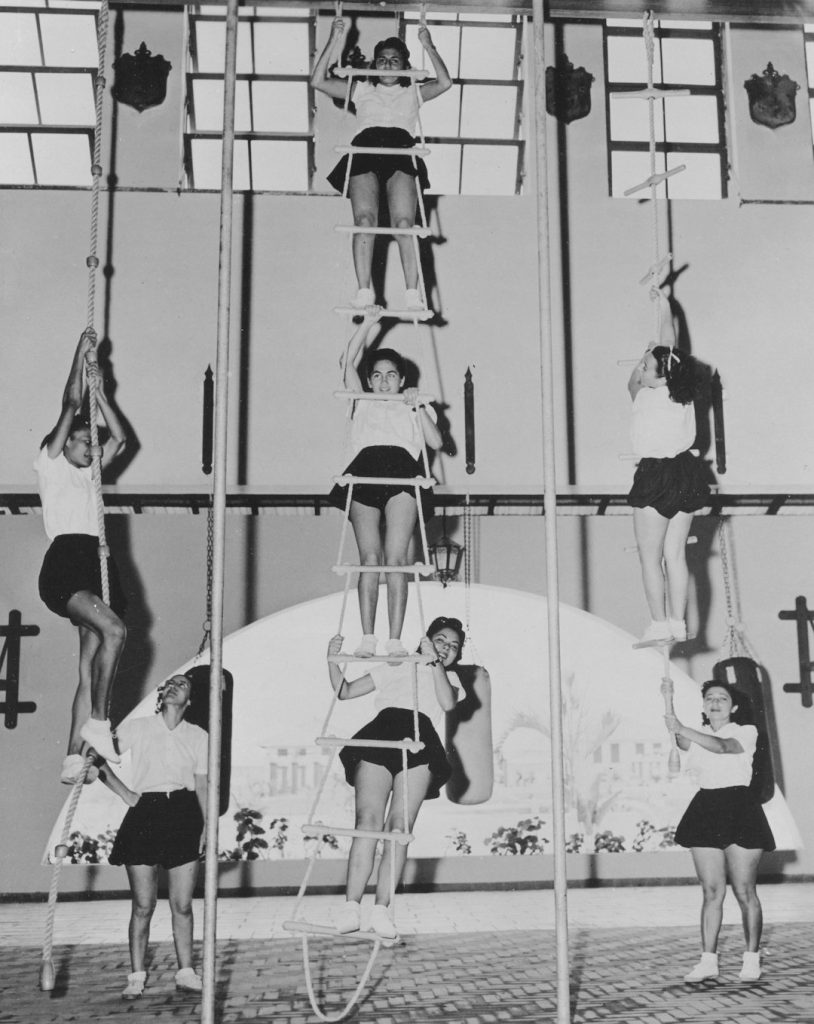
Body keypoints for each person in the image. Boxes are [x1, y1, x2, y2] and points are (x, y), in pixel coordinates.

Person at [326, 616, 464, 939]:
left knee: (399, 828)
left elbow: (446, 702)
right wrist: (331, 660)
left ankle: (382, 909)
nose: (447, 648)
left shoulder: (450, 677)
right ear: (426, 639)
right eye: (441, 640)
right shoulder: (396, 663)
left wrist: (435, 664)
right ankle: (351, 906)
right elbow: (345, 692)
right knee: (368, 821)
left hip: (419, 738)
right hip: (383, 732)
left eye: (453, 647)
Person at [35, 328, 127, 780]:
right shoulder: (51, 466)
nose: (90, 447)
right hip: (68, 562)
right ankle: (99, 723)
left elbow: (122, 440)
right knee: (115, 630)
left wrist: (103, 394)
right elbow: (70, 404)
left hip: (97, 560)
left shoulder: (90, 476)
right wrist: (79, 354)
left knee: (88, 664)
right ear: (61, 444)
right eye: (81, 441)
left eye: (92, 444)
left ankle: (74, 756)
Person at [311, 18, 452, 309]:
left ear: (404, 65)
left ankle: (412, 293)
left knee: (404, 224)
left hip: (401, 151)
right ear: (374, 65)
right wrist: (333, 39)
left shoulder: (413, 92)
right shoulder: (362, 89)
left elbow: (444, 82)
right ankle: (364, 291)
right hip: (365, 150)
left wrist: (428, 45)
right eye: (382, 60)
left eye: (394, 59)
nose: (387, 64)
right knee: (365, 221)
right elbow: (318, 81)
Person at [328, 306, 442, 658]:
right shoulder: (361, 401)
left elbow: (437, 443)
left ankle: (394, 639)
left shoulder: (415, 404)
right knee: (369, 559)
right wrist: (369, 323)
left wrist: (416, 407)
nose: (383, 381)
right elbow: (346, 362)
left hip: (403, 476)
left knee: (395, 559)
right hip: (364, 474)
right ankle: (368, 638)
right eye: (376, 375)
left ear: (401, 380)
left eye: (390, 375)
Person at [104, 673, 208, 999]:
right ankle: (136, 975)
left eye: (183, 685)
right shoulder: (138, 727)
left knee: (182, 904)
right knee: (143, 905)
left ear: (189, 700)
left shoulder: (199, 735)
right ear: (162, 694)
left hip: (184, 813)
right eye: (171, 683)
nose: (175, 686)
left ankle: (186, 972)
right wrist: (126, 795)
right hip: (144, 814)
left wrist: (207, 828)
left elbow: (203, 785)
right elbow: (98, 758)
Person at [664, 680, 775, 983]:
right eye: (709, 698)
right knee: (712, 891)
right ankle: (708, 961)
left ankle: (751, 959)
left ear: (733, 706)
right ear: (703, 706)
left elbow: (723, 747)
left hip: (741, 808)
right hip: (706, 808)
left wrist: (682, 728)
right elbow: (680, 737)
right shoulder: (698, 737)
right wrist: (668, 698)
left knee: (743, 890)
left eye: (722, 698)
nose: (715, 703)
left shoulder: (745, 732)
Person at [627, 289, 710, 646]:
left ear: (659, 376)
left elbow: (633, 380)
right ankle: (677, 622)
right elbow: (669, 344)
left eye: (646, 367)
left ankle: (659, 623)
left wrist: (662, 307)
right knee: (675, 554)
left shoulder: (644, 396)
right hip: (687, 473)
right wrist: (662, 305)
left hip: (655, 473)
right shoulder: (682, 394)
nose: (641, 369)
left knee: (650, 556)